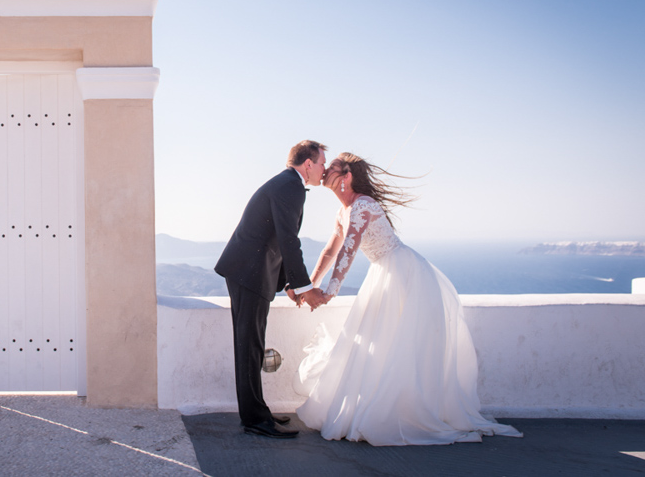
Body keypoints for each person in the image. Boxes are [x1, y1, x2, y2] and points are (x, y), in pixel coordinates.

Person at [291, 152, 522, 446]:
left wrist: (329, 293)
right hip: (383, 273)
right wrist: (309, 286)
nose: (326, 171)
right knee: (378, 344)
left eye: (332, 167)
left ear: (346, 177)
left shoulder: (362, 205)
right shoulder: (342, 212)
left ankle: (396, 414)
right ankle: (377, 409)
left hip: (403, 275)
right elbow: (329, 253)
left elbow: (349, 250)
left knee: (396, 345)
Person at [214, 140, 331, 439]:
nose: (324, 169)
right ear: (307, 164)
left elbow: (277, 238)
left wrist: (290, 282)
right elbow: (289, 239)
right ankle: (254, 419)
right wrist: (305, 288)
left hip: (249, 271)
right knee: (249, 346)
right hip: (248, 272)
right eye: (321, 163)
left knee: (251, 345)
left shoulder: (287, 184)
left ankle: (258, 412)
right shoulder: (290, 186)